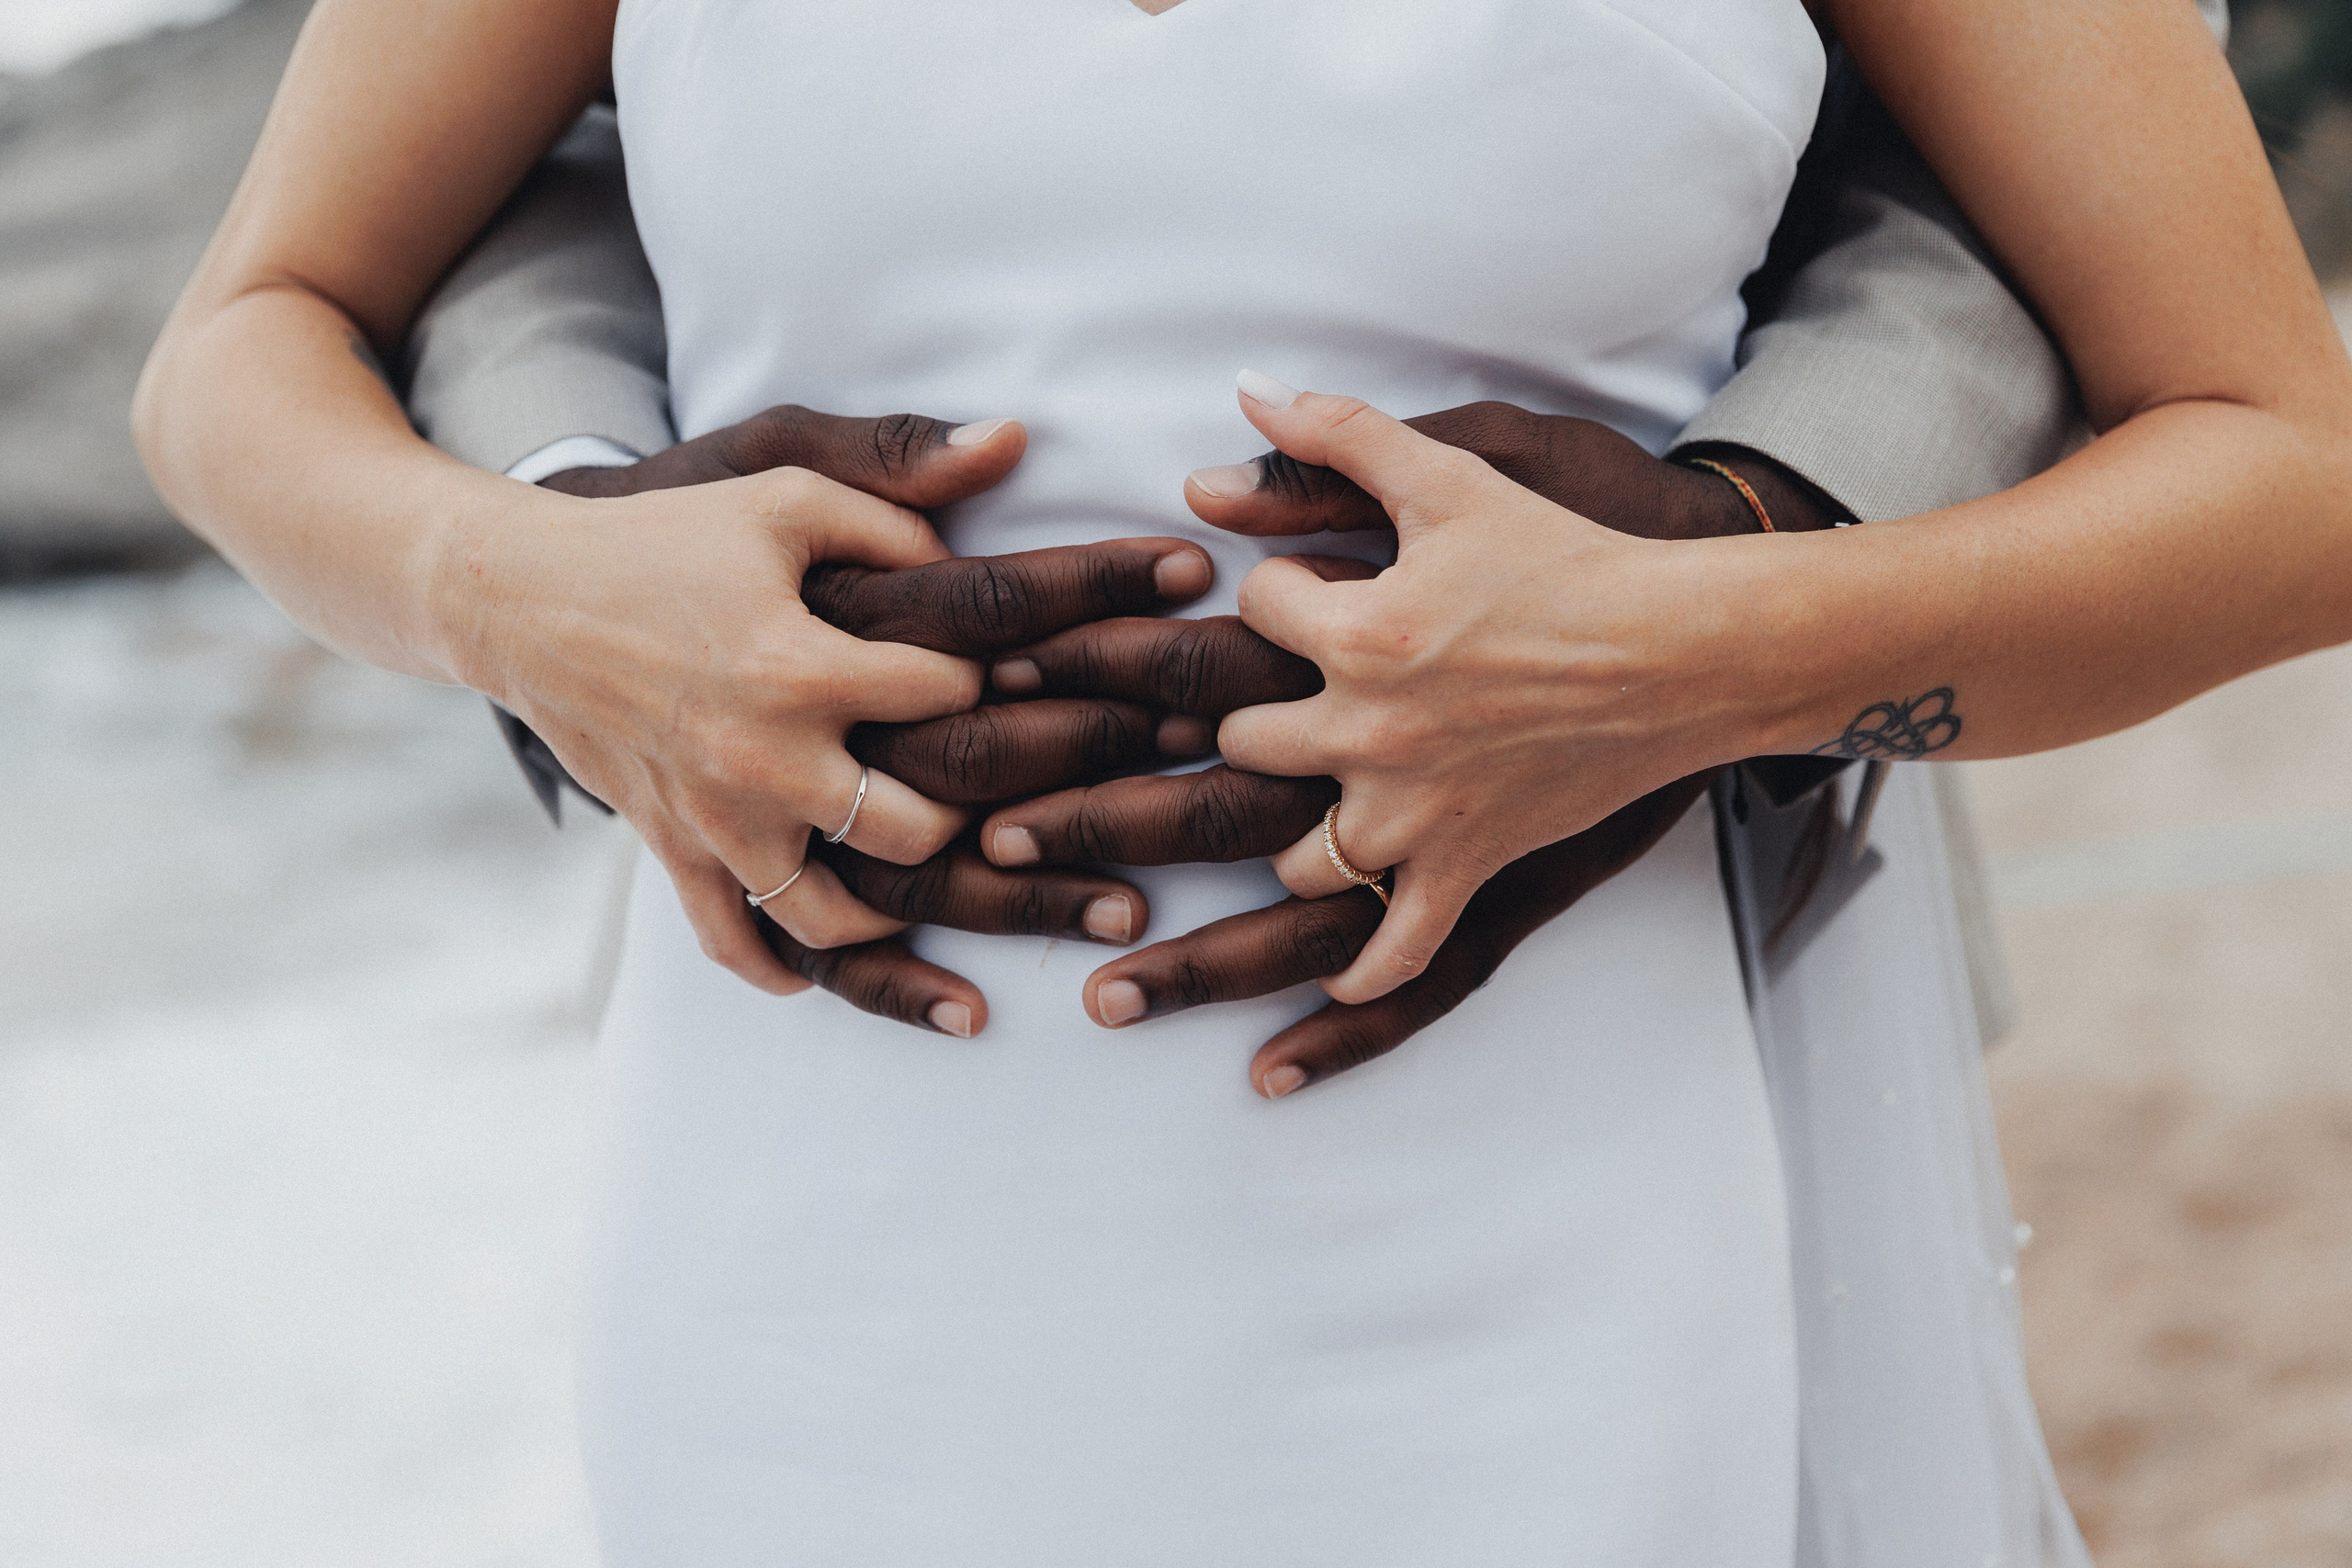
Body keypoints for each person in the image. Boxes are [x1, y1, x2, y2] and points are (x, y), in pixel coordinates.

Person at [133, 0, 2346, 1562]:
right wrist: (521, 586)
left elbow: (2282, 467)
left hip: (1528, 1192)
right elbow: (255, 337)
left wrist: (1684, 654)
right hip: (814, 1199)